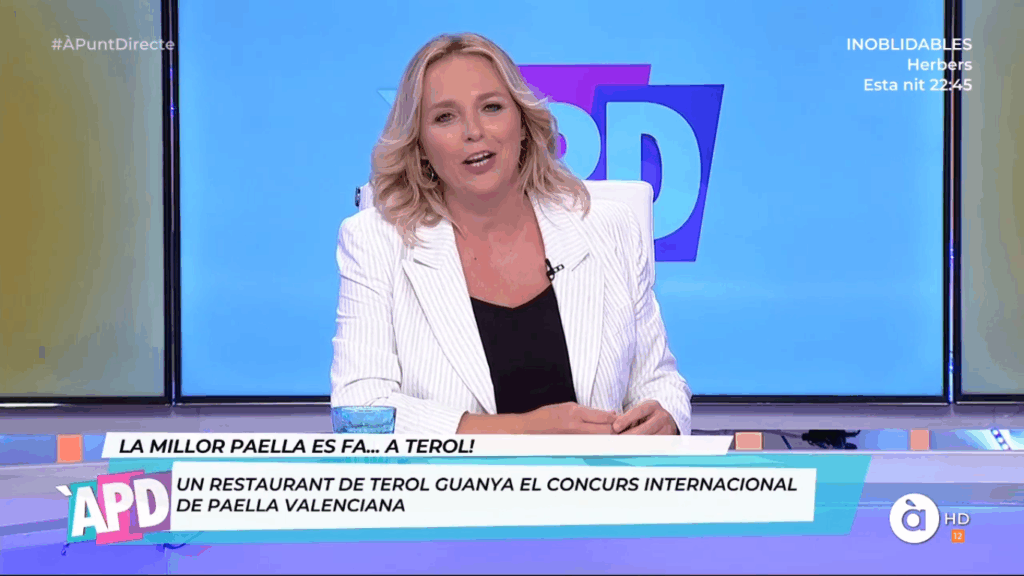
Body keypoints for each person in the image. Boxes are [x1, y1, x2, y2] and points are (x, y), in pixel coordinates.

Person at [330, 32, 692, 435]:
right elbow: (361, 408)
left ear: (521, 123)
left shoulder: (609, 228)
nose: (473, 131)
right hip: (451, 478)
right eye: (445, 117)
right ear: (420, 145)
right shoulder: (376, 242)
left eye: (491, 107)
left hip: (599, 474)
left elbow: (658, 381)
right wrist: (526, 431)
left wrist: (666, 420)